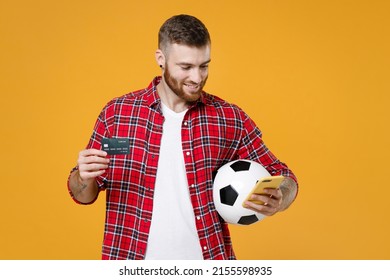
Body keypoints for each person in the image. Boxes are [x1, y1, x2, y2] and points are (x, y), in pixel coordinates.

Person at [67, 14, 298, 260]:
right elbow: (83, 194)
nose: (197, 78)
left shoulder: (229, 118)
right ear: (161, 59)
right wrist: (84, 177)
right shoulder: (119, 115)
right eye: (186, 67)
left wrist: (280, 196)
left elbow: (284, 177)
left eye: (204, 66)